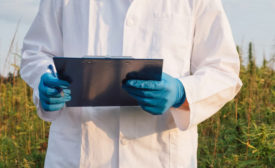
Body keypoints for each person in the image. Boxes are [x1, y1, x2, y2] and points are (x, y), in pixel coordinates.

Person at [20, 0, 243, 167]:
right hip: (77, 154)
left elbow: (223, 69)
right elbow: (36, 52)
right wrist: (45, 80)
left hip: (160, 155)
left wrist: (182, 93)